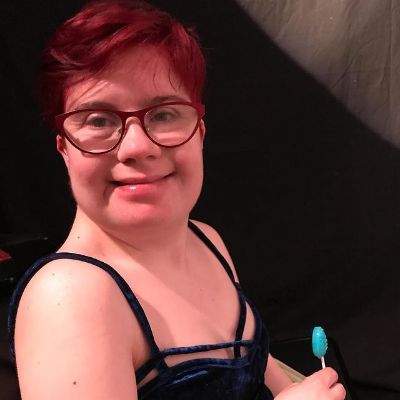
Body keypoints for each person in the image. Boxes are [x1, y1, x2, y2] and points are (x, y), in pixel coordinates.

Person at [8, 1, 346, 399]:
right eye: (98, 120)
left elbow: (255, 362)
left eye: (164, 114)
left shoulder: (206, 239)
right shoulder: (69, 298)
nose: (137, 147)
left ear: (199, 132)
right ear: (65, 148)